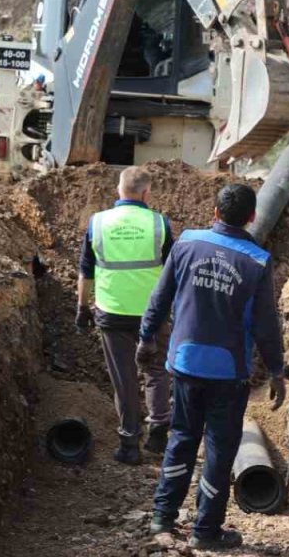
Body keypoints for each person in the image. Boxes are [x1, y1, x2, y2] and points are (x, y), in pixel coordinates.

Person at [139, 184, 286, 550]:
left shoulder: (187, 243)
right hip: (228, 373)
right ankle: (205, 531)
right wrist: (277, 370)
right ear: (252, 217)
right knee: (220, 449)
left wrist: (146, 337)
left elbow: (160, 296)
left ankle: (162, 517)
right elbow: (265, 324)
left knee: (182, 438)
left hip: (186, 363)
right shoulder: (256, 261)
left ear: (215, 212)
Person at [76, 166, 175, 464]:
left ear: (118, 190)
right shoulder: (159, 224)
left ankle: (129, 444)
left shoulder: (98, 223)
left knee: (124, 378)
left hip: (112, 312)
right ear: (146, 193)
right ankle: (158, 430)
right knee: (156, 370)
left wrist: (82, 307)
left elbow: (85, 272)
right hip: (153, 314)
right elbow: (173, 271)